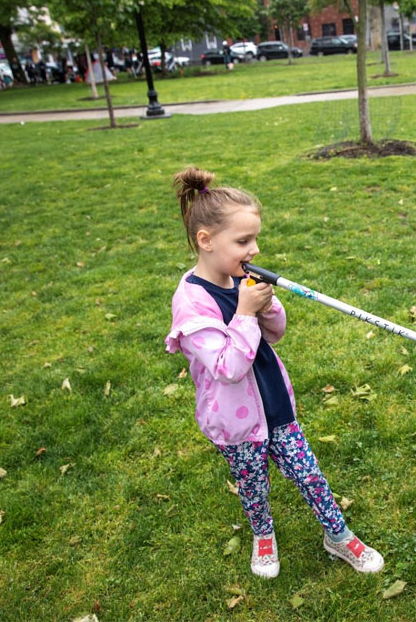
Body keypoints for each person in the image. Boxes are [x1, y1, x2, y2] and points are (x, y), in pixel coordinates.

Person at [165, 168, 384, 579]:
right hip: (235, 420)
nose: (256, 249)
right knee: (253, 485)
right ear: (206, 241)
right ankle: (262, 534)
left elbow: (275, 335)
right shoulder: (191, 304)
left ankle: (337, 534)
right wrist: (245, 312)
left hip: (274, 403)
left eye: (255, 238)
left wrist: (266, 307)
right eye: (244, 241)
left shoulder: (239, 279)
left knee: (309, 474)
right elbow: (228, 368)